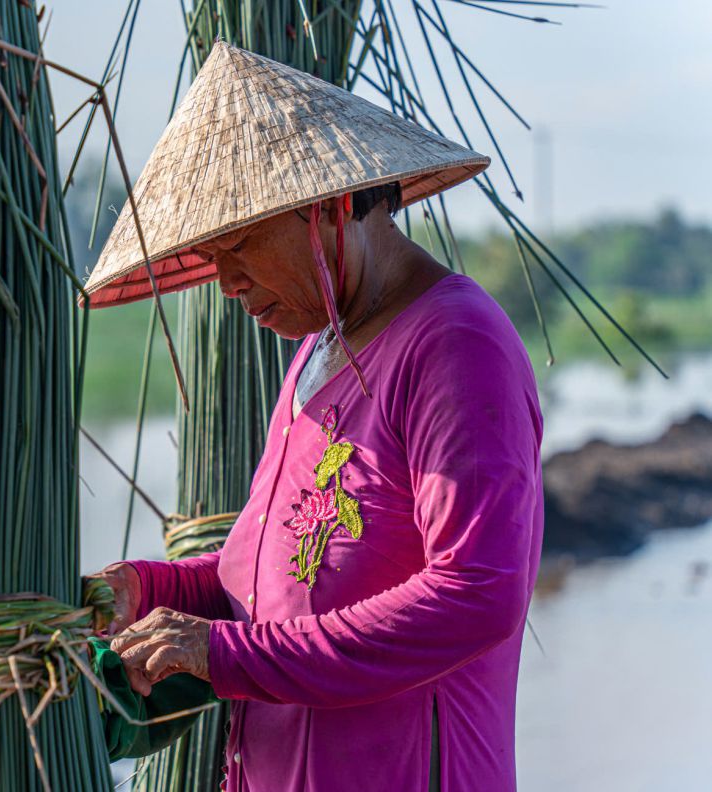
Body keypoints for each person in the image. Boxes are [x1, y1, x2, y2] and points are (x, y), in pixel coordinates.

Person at [84, 42, 543, 792]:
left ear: (326, 206)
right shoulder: (316, 349)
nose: (226, 282)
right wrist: (149, 589)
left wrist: (225, 655)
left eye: (236, 245)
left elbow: (476, 590)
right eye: (208, 254)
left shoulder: (453, 344)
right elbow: (271, 579)